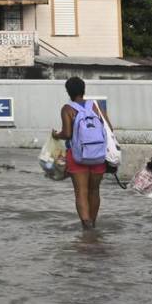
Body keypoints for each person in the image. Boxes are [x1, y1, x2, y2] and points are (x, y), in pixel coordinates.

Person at [52, 76, 112, 230]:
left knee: (81, 192)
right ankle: (93, 222)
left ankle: (87, 226)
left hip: (78, 156)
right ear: (83, 90)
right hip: (98, 155)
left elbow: (67, 133)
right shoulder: (96, 106)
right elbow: (109, 128)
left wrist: (55, 135)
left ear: (68, 92)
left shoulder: (67, 109)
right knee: (94, 190)